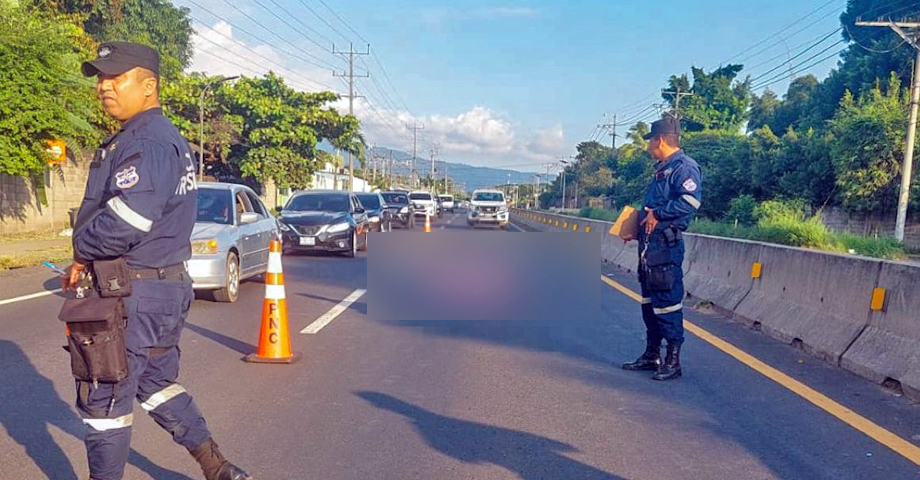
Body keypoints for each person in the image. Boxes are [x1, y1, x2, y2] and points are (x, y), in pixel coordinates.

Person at [62, 41, 253, 480]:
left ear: (148, 86)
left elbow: (126, 221)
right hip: (163, 288)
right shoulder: (162, 138)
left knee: (106, 400)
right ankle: (217, 466)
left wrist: (80, 251)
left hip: (134, 294)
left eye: (115, 77)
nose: (103, 87)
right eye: (100, 79)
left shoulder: (144, 141)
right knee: (156, 383)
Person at [621, 116, 702, 381]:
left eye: (650, 142)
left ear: (661, 140)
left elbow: (690, 202)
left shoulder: (684, 168)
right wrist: (637, 226)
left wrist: (659, 214)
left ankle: (673, 360)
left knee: (667, 304)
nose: (648, 148)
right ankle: (651, 354)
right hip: (648, 245)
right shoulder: (662, 168)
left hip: (665, 246)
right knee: (649, 303)